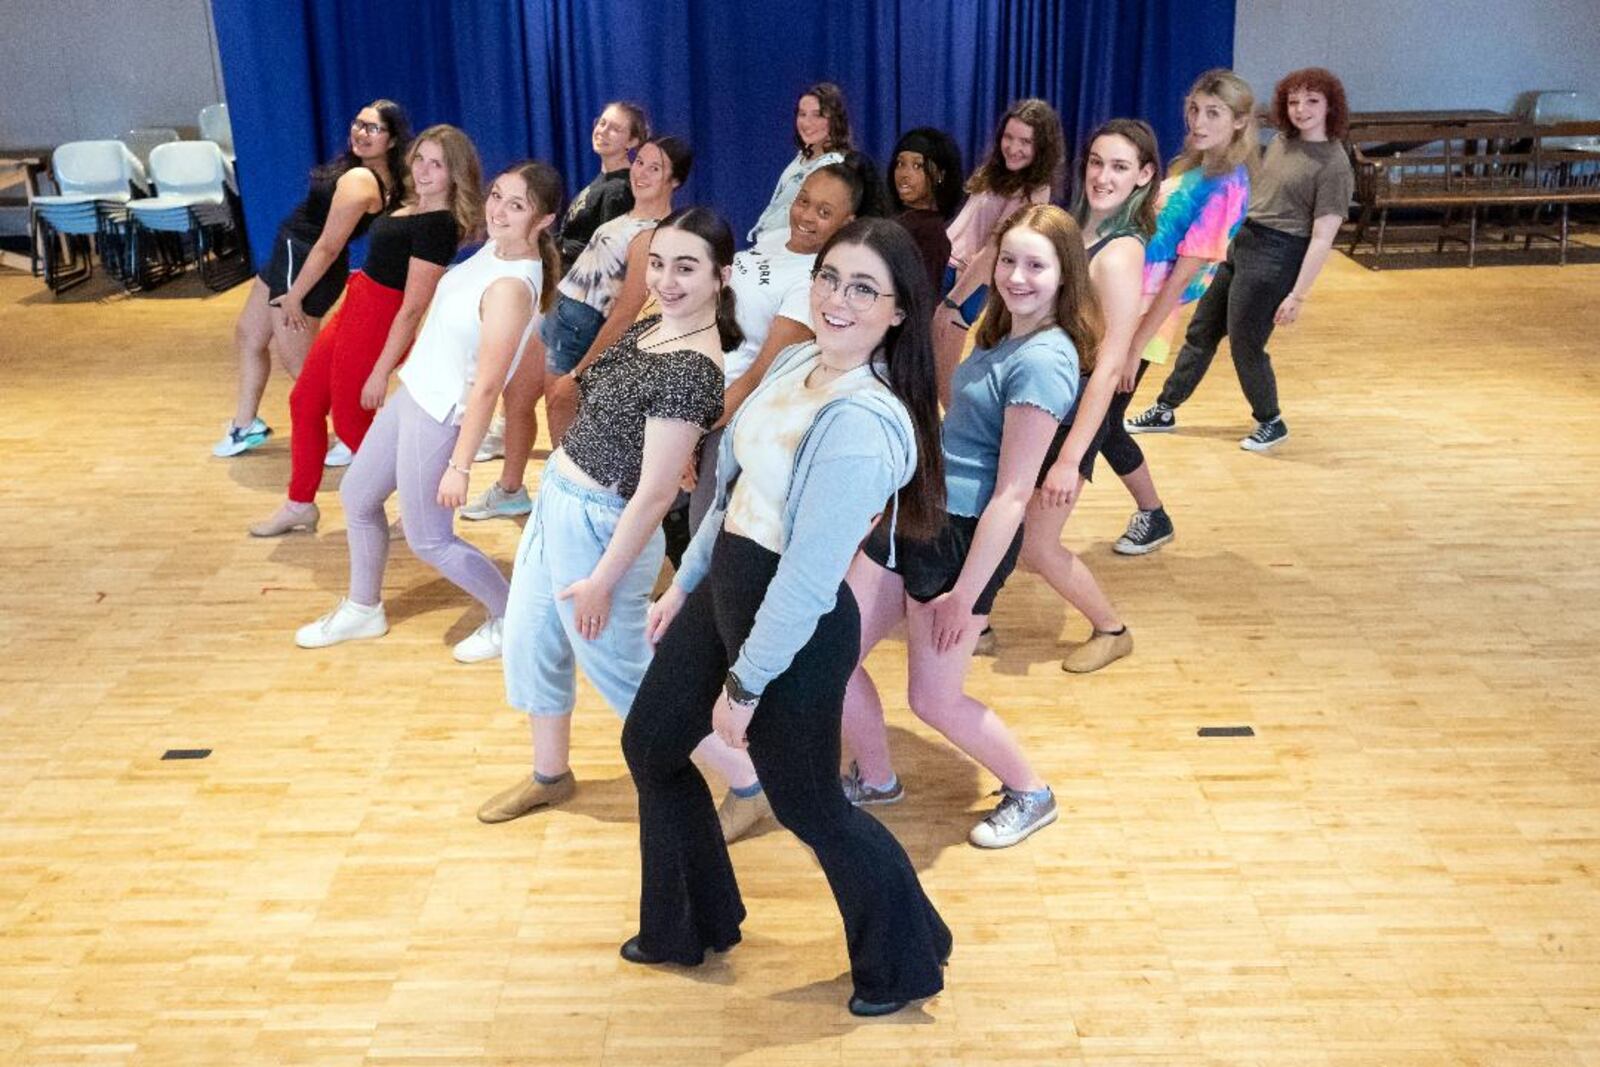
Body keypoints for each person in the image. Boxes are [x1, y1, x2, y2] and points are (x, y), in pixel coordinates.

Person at [620, 218, 951, 1018]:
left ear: (899, 310)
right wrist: (683, 583)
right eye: (831, 277)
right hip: (730, 582)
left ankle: (908, 957)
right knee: (653, 741)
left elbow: (805, 579)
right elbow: (734, 493)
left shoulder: (865, 424)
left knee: (810, 806)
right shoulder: (800, 360)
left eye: (863, 288)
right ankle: (690, 923)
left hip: (790, 629)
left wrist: (743, 685)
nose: (837, 299)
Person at [477, 208, 757, 829]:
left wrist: (603, 578)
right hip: (560, 498)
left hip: (603, 526)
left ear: (722, 276)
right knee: (532, 640)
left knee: (628, 675)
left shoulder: (691, 363)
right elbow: (641, 432)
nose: (665, 280)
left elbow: (656, 496)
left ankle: (747, 782)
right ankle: (550, 773)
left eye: (686, 268)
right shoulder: (656, 324)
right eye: (658, 264)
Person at [841, 204, 1096, 849]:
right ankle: (876, 778)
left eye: (1035, 265)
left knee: (934, 699)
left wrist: (965, 594)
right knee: (830, 651)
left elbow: (1013, 494)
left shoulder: (1045, 360)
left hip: (960, 540)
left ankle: (1031, 792)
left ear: (1066, 275)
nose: (1016, 276)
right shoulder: (1001, 333)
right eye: (1008, 260)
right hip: (916, 511)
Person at [290, 162, 560, 661]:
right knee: (357, 495)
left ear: (543, 221)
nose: (498, 209)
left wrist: (460, 466)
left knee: (429, 539)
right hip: (415, 395)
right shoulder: (493, 253)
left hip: (442, 414)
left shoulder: (511, 287)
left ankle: (510, 618)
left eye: (516, 205)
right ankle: (363, 607)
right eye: (497, 195)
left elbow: (487, 387)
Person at [248, 125, 480, 537]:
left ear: (455, 173)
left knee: (353, 423)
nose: (424, 170)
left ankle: (422, 503)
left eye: (437, 165)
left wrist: (381, 370)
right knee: (304, 401)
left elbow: (411, 308)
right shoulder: (410, 202)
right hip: (356, 309)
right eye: (420, 159)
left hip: (379, 322)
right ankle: (299, 503)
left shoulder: (438, 225)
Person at [460, 137, 691, 522]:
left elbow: (626, 311)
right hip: (558, 313)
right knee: (517, 400)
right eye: (641, 163)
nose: (642, 172)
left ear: (675, 181)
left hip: (580, 330)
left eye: (656, 168)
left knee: (563, 425)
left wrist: (583, 369)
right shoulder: (625, 218)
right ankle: (511, 489)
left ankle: (567, 510)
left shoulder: (653, 233)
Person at [1129, 68, 1352, 452]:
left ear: (1331, 107)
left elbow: (1322, 237)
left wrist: (1297, 295)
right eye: (1295, 101)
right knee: (1202, 331)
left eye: (1312, 101)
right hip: (1243, 242)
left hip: (1279, 254)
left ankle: (1271, 419)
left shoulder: (1334, 164)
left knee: (1246, 343)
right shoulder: (1282, 142)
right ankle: (1165, 407)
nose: (1301, 110)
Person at [1018, 119, 1161, 674]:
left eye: (1120, 167)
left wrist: (1073, 457)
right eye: (1097, 162)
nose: (1103, 176)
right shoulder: (1078, 229)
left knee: (1038, 544)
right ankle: (972, 618)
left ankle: (1111, 627)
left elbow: (1108, 366)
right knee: (1007, 518)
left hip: (1073, 408)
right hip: (1045, 395)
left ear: (1144, 176)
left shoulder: (1121, 252)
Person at [682, 157, 879, 536]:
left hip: (727, 416)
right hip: (694, 395)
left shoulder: (815, 282)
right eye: (803, 200)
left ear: (847, 222)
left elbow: (760, 376)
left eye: (824, 211)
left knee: (702, 543)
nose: (806, 215)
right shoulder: (772, 241)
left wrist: (693, 432)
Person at [1103, 69, 1256, 555]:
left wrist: (1132, 348)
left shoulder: (1227, 183)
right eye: (1195, 109)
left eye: (1214, 113)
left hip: (1148, 316)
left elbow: (1182, 277)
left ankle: (1154, 514)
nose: (1199, 120)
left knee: (1104, 424)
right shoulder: (1193, 167)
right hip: (1125, 303)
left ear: (1239, 122)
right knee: (1096, 420)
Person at [214, 100, 408, 458]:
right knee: (249, 334)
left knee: (304, 367)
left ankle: (356, 436)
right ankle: (245, 425)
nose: (360, 133)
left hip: (303, 267)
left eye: (373, 129)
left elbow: (328, 246)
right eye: (358, 124)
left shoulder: (361, 180)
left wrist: (294, 295)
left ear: (392, 141)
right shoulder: (365, 170)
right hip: (288, 256)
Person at [477, 101, 650, 464]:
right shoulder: (601, 184)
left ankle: (571, 483)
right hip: (560, 297)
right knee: (520, 390)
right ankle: (511, 481)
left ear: (633, 140)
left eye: (615, 128)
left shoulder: (619, 191)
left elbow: (607, 261)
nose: (602, 131)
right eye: (601, 123)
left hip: (577, 310)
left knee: (561, 401)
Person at [932, 98, 1064, 407]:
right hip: (945, 266)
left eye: (1025, 142)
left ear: (1041, 147)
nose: (1013, 147)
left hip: (963, 281)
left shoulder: (1034, 190)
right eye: (1009, 137)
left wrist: (953, 301)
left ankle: (959, 444)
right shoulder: (996, 172)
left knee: (945, 379)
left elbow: (993, 250)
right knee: (927, 365)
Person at [745, 82, 851, 251]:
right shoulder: (803, 156)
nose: (807, 123)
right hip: (770, 246)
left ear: (834, 120)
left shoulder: (832, 166)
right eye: (802, 114)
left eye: (818, 115)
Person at [887, 127, 964, 296]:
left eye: (917, 166)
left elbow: (922, 301)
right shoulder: (897, 218)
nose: (904, 174)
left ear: (940, 175)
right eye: (900, 164)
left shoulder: (931, 235)